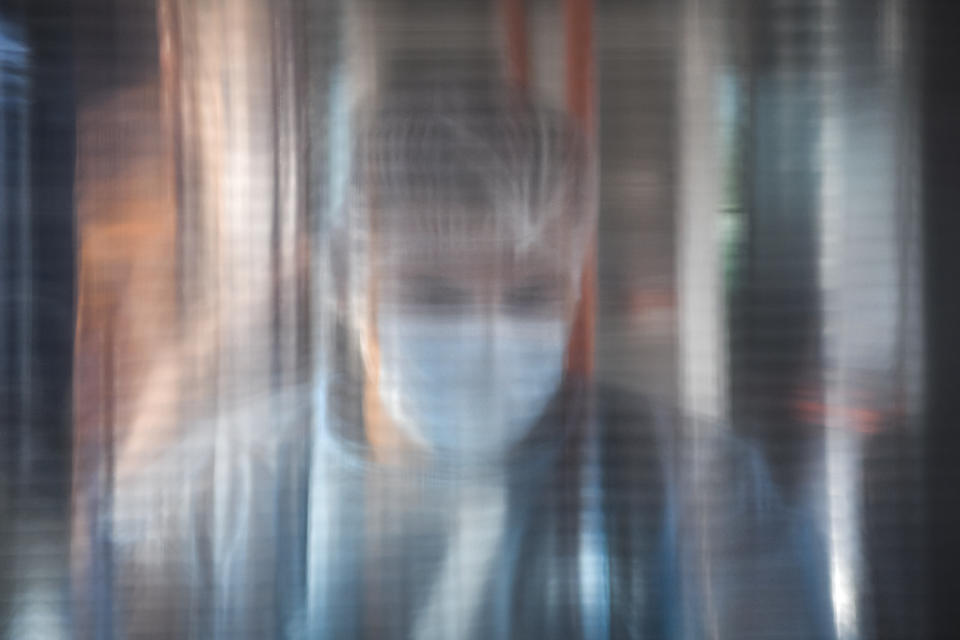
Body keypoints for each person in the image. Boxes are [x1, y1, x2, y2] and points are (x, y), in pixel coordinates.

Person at [95, 84, 835, 639]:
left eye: (530, 297)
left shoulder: (700, 484)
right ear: (349, 284)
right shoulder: (224, 498)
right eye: (434, 296)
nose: (486, 339)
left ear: (576, 287)